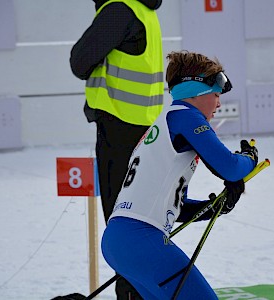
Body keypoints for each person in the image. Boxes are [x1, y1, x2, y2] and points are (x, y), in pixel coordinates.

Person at [101, 50, 259, 299]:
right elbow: (229, 167)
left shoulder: (164, 122)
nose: (219, 104)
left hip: (119, 240)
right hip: (141, 239)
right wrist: (250, 159)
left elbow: (174, 206)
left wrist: (212, 207)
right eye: (216, 94)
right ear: (195, 91)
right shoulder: (185, 116)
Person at [70, 0, 164, 298]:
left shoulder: (119, 10)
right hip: (143, 131)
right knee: (139, 225)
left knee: (122, 229)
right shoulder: (144, 11)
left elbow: (79, 61)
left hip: (119, 131)